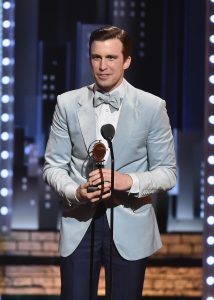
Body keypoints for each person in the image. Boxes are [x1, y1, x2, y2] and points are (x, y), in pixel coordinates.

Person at [43, 25, 176, 300]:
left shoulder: (152, 107)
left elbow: (168, 173)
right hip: (80, 220)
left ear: (126, 61)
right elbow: (53, 166)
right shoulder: (67, 104)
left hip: (130, 221)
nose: (103, 66)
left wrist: (128, 181)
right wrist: (74, 191)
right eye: (96, 57)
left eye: (111, 58)